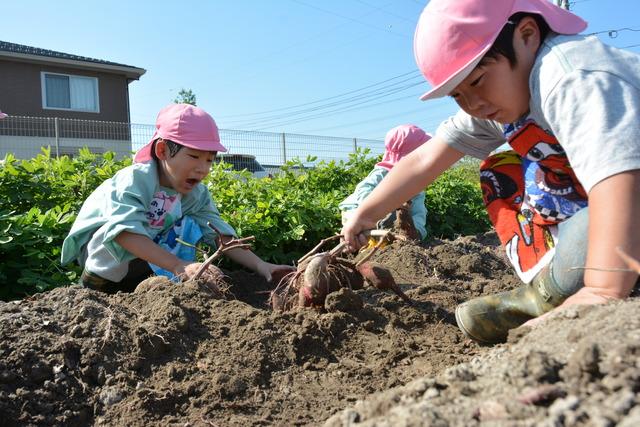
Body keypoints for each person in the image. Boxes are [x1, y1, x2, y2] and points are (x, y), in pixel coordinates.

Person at [341, 0, 640, 343]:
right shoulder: (500, 99)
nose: (473, 103)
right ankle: (555, 288)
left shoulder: (573, 79)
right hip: (609, 201)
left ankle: (571, 290)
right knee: (502, 174)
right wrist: (366, 213)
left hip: (626, 186)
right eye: (457, 95)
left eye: (478, 80)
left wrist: (602, 292)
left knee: (597, 265)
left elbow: (620, 180)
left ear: (526, 35)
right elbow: (425, 160)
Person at [61, 103, 293, 293]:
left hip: (144, 255)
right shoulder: (135, 180)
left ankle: (145, 287)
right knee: (119, 229)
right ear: (162, 151)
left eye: (209, 160)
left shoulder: (196, 194)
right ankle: (94, 291)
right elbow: (125, 233)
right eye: (194, 156)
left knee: (189, 225)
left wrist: (261, 265)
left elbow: (219, 234)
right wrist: (178, 265)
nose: (203, 168)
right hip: (103, 256)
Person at [339, 124, 431, 240]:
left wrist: (416, 230)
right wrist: (377, 212)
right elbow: (363, 190)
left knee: (392, 236)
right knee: (360, 237)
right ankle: (356, 243)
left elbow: (419, 213)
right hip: (356, 210)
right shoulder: (382, 173)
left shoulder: (416, 186)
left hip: (392, 222)